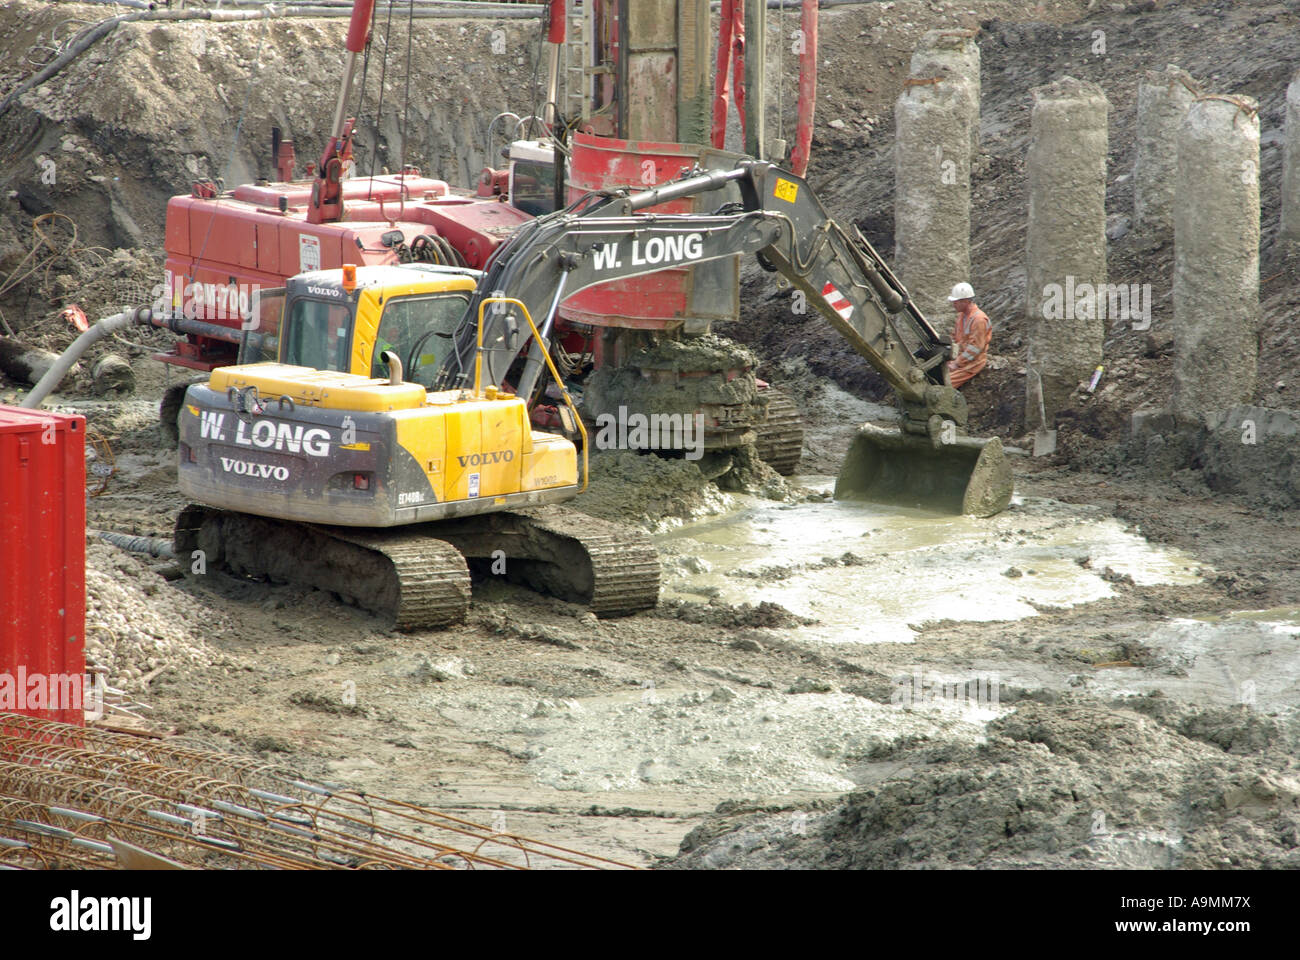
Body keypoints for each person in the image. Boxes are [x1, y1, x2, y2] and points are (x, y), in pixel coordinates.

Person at [946, 282, 991, 388]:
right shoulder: (961, 316)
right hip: (960, 357)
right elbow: (955, 337)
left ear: (965, 301)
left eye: (956, 302)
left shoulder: (979, 320)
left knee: (944, 384)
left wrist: (957, 363)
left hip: (972, 363)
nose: (954, 304)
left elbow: (975, 348)